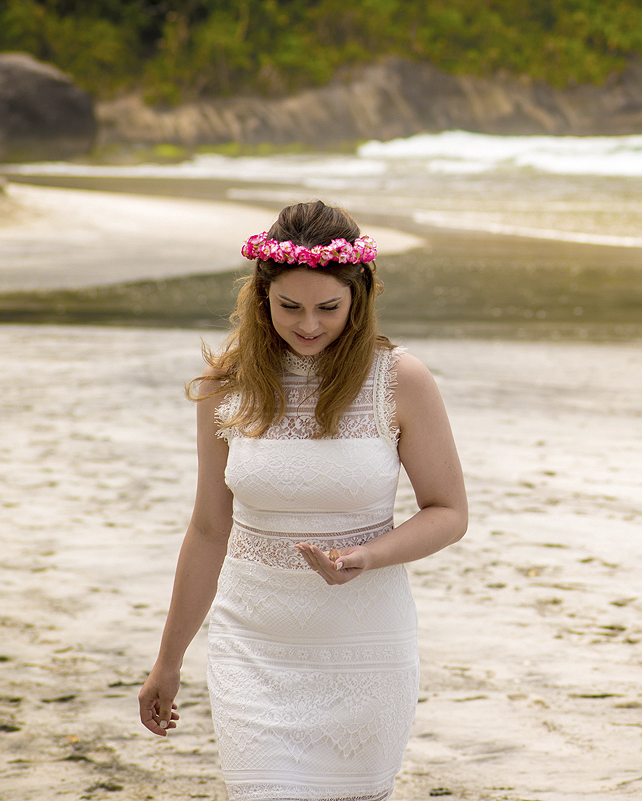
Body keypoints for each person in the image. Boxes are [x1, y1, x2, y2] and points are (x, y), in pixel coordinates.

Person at [138, 201, 468, 801]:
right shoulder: (225, 385)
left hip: (364, 645)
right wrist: (168, 660)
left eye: (328, 308)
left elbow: (448, 512)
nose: (309, 324)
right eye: (290, 306)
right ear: (261, 296)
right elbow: (210, 530)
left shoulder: (400, 381)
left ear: (359, 299)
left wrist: (366, 556)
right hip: (254, 642)